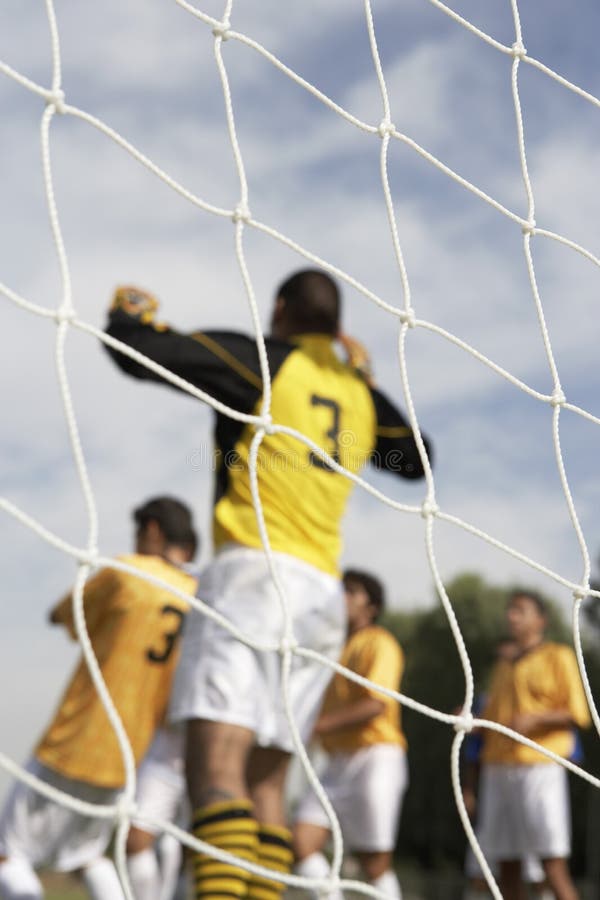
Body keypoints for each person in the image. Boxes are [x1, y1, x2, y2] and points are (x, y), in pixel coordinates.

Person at [104, 269, 431, 900]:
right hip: (320, 601)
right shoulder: (356, 398)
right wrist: (363, 381)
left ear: (279, 309)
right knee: (266, 785)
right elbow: (416, 460)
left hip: (252, 576)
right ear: (337, 329)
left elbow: (142, 354)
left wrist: (127, 316)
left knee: (216, 768)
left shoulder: (266, 362)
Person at [0, 497, 197, 900]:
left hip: (79, 736)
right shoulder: (196, 595)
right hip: (131, 750)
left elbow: (64, 613)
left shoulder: (128, 572)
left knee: (9, 854)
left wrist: (60, 616)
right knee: (86, 856)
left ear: (154, 530)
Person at [293, 569, 407, 900]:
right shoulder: (331, 647)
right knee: (303, 841)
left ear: (371, 607)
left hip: (375, 757)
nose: (342, 597)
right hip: (336, 760)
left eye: (351, 592)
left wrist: (320, 726)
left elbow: (377, 704)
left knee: (375, 863)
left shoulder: (379, 642)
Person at [477, 590, 591, 900]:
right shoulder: (503, 666)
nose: (511, 616)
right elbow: (491, 718)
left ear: (541, 620)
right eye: (510, 610)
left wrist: (535, 719)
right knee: (507, 867)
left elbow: (578, 713)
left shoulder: (558, 656)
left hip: (539, 767)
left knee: (551, 864)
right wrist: (471, 720)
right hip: (498, 768)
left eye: (520, 610)